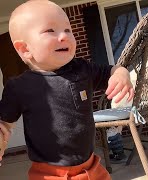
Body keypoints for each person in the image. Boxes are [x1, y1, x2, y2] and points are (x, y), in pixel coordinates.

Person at [0, 1, 134, 179]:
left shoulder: (82, 69)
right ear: (25, 49)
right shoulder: (19, 87)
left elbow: (112, 70)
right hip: (49, 174)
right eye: (50, 31)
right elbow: (5, 123)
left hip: (92, 167)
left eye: (68, 30)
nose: (64, 36)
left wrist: (121, 73)